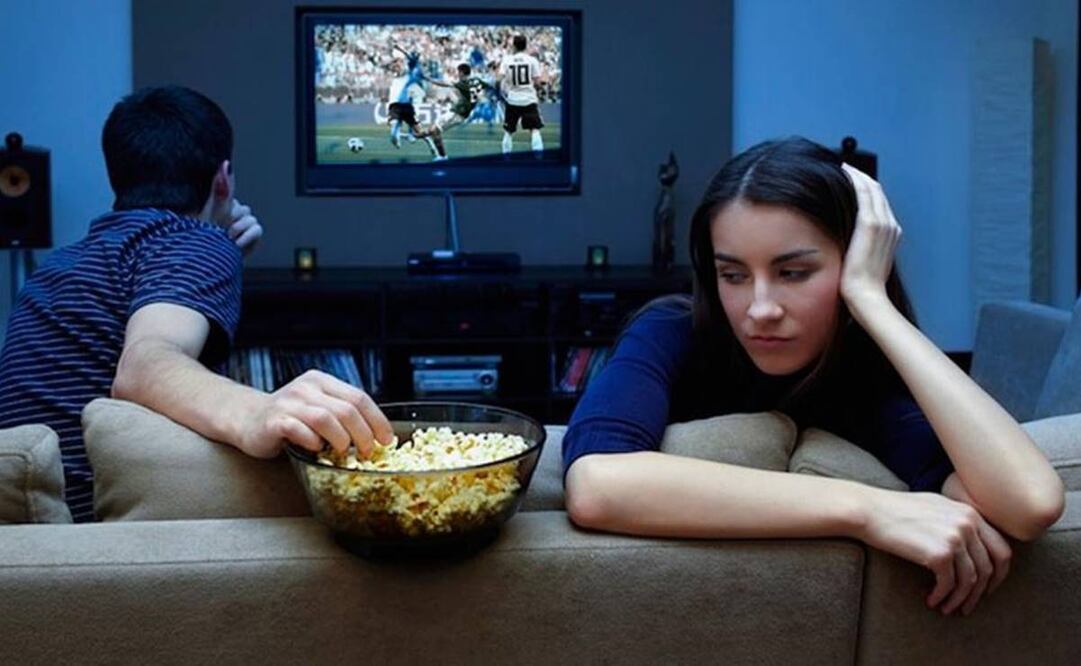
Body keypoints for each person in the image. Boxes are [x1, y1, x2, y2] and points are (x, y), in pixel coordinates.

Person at [562, 137, 1065, 616]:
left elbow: (1030, 502)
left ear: (852, 266)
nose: (759, 309)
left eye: (793, 273)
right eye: (733, 275)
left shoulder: (863, 389)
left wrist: (872, 300)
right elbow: (596, 481)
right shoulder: (672, 330)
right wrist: (868, 509)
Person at [0, 86, 392, 522]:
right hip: (95, 528)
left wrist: (222, 252)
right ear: (223, 177)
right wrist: (261, 411)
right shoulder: (196, 243)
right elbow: (143, 367)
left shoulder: (57, 266)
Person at [421, 62, 498, 160]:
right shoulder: (477, 80)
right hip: (461, 113)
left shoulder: (463, 83)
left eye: (458, 72)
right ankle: (421, 137)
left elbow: (445, 84)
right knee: (433, 130)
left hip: (457, 113)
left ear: (461, 72)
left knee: (434, 130)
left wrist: (429, 79)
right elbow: (490, 87)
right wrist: (493, 97)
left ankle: (442, 156)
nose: (457, 74)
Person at [498, 34, 545, 155]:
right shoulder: (532, 60)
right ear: (526, 45)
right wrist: (540, 88)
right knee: (535, 130)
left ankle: (506, 158)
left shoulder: (507, 60)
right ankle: (539, 158)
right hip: (529, 99)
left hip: (512, 99)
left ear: (514, 45)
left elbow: (499, 80)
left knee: (508, 131)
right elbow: (538, 82)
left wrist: (503, 92)